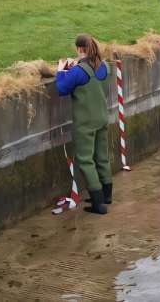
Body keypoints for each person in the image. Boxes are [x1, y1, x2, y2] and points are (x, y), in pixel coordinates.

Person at [55, 34, 112, 215]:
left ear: (80, 49)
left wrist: (60, 71)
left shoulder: (78, 71)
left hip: (85, 123)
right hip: (102, 118)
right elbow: (92, 73)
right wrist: (77, 65)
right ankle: (107, 195)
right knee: (102, 157)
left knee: (86, 160)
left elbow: (61, 89)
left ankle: (98, 204)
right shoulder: (105, 66)